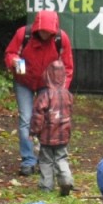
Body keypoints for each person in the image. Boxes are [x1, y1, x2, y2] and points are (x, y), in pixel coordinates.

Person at [3, 10, 74, 176]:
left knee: (47, 120)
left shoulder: (60, 39)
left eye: (48, 32)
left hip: (48, 84)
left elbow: (68, 66)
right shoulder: (23, 34)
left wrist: (61, 89)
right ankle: (28, 160)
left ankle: (45, 157)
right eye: (42, 31)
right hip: (24, 81)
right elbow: (10, 52)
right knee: (26, 119)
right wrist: (13, 61)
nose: (44, 34)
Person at [29, 57, 74, 195]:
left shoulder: (44, 95)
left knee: (46, 160)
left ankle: (46, 186)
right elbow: (69, 112)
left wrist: (33, 131)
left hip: (47, 136)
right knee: (61, 158)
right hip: (63, 134)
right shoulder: (68, 95)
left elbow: (38, 116)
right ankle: (66, 180)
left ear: (47, 75)